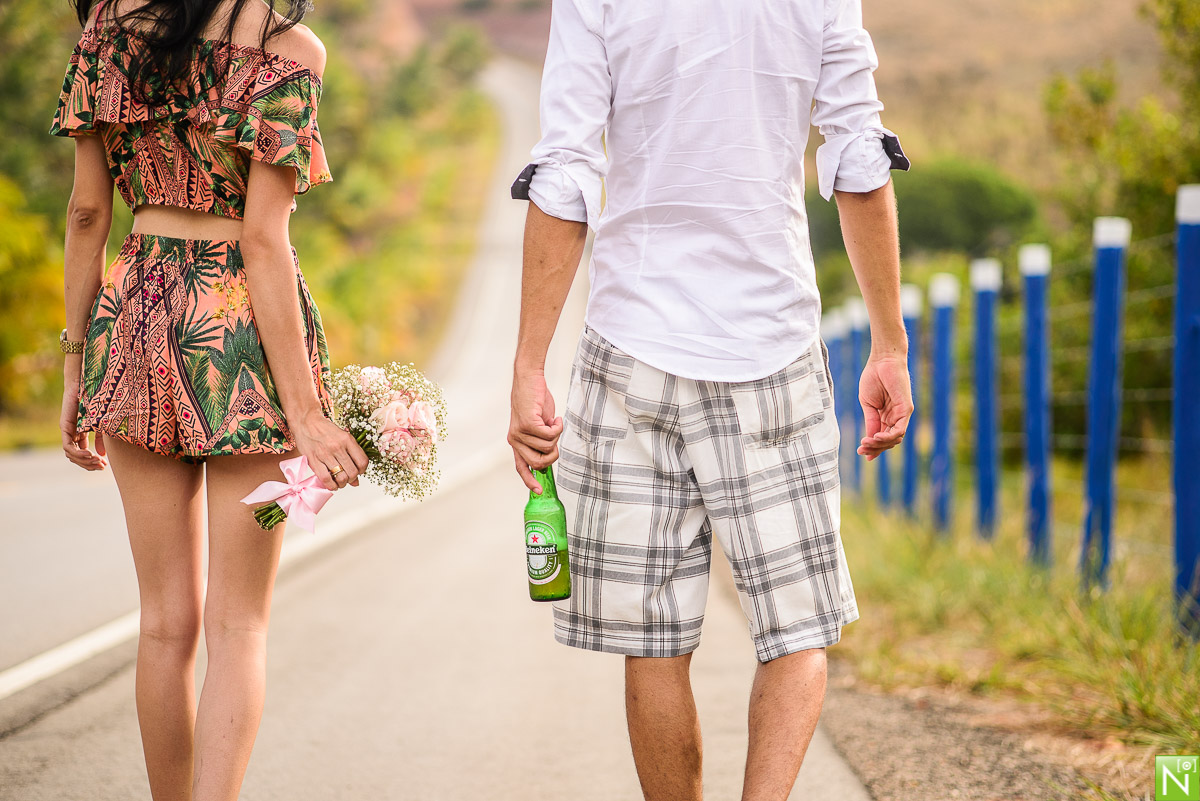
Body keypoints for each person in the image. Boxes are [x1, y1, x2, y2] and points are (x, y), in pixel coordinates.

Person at [507, 1, 913, 799]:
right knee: (797, 630)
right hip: (771, 344)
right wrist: (890, 343)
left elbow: (565, 167)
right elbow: (858, 154)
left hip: (631, 343)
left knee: (654, 641)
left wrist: (528, 361)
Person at [52, 1, 366, 798]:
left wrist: (74, 364)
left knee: (163, 624)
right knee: (239, 626)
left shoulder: (108, 34)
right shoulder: (289, 50)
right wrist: (306, 411)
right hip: (237, 332)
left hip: (133, 317)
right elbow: (265, 238)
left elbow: (88, 212)